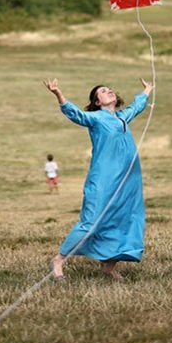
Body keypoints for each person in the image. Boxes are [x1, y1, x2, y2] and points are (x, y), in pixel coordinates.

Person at [44, 78, 152, 282]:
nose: (109, 90)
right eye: (103, 91)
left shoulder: (122, 117)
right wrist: (58, 94)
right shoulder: (95, 118)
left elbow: (136, 107)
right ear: (97, 102)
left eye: (110, 89)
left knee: (125, 220)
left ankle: (109, 266)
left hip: (128, 181)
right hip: (104, 179)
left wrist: (146, 91)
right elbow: (75, 114)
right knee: (92, 220)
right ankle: (59, 260)